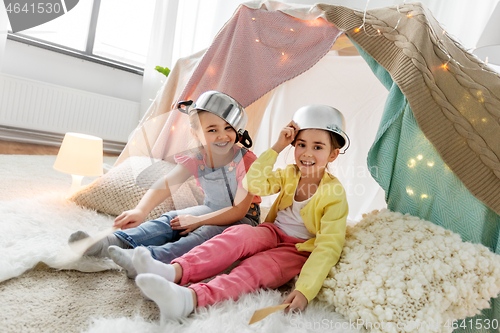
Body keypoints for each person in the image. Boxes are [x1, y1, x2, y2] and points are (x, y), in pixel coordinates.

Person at [127, 104, 350, 322]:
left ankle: (190, 299)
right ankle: (173, 272)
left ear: (333, 154)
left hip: (296, 250)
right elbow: (253, 182)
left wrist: (305, 290)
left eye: (318, 147)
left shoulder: (334, 194)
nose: (307, 153)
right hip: (272, 232)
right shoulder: (289, 174)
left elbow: (328, 248)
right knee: (238, 234)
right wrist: (276, 148)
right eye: (301, 144)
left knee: (256, 269)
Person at [68, 91, 261, 279]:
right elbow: (167, 183)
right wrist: (140, 211)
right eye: (212, 130)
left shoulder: (246, 161)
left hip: (243, 219)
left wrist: (198, 221)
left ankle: (148, 260)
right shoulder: (198, 156)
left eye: (228, 128)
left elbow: (238, 211)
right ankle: (111, 242)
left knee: (204, 232)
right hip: (210, 208)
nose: (222, 136)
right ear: (196, 134)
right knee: (171, 219)